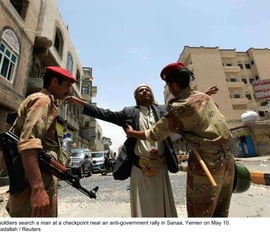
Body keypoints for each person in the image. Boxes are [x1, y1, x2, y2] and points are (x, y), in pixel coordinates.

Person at [125, 62, 235, 217]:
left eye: (169, 85)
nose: (169, 89)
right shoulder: (205, 98)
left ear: (174, 85)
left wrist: (132, 133)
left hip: (207, 162)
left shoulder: (180, 106)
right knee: (220, 213)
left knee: (201, 214)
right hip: (228, 160)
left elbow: (155, 134)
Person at [66, 84, 178, 217]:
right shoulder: (129, 112)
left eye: (147, 89)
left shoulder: (163, 110)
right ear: (136, 97)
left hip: (161, 167)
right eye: (140, 90)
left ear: (152, 94)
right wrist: (82, 103)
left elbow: (182, 111)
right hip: (140, 167)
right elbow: (105, 114)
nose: (144, 91)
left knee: (163, 206)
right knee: (142, 206)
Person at [6, 66, 77, 217]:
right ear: (54, 82)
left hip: (37, 173)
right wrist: (38, 189)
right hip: (33, 179)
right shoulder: (42, 100)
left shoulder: (45, 101)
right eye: (67, 86)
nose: (69, 91)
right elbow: (29, 143)